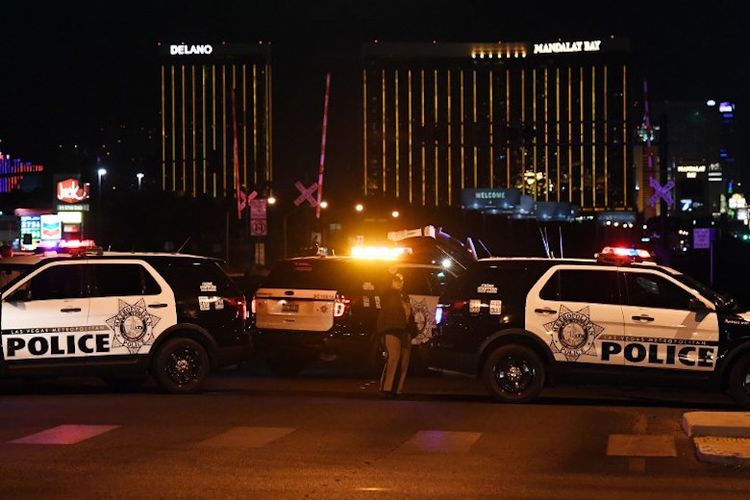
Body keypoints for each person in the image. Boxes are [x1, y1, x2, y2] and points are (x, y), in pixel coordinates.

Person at [376, 272, 414, 398]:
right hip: (391, 329)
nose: (400, 282)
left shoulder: (404, 296)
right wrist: (390, 272)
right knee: (393, 357)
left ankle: (398, 389)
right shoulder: (387, 294)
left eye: (402, 280)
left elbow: (409, 313)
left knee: (404, 362)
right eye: (397, 279)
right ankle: (387, 388)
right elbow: (383, 284)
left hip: (405, 330)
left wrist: (412, 329)